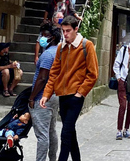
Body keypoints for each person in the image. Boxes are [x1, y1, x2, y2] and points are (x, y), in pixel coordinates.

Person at [40, 15, 99, 161]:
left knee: (65, 133)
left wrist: (80, 93)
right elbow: (53, 73)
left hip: (76, 96)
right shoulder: (61, 47)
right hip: (63, 95)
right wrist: (46, 94)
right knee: (70, 133)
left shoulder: (87, 45)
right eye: (63, 31)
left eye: (68, 31)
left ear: (75, 29)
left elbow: (93, 74)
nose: (65, 34)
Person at [29, 24, 62, 161]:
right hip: (54, 96)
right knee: (51, 131)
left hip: (42, 97)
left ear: (52, 37)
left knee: (42, 135)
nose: (41, 38)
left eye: (44, 35)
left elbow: (42, 78)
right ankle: (52, 158)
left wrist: (32, 97)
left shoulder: (48, 55)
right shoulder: (58, 52)